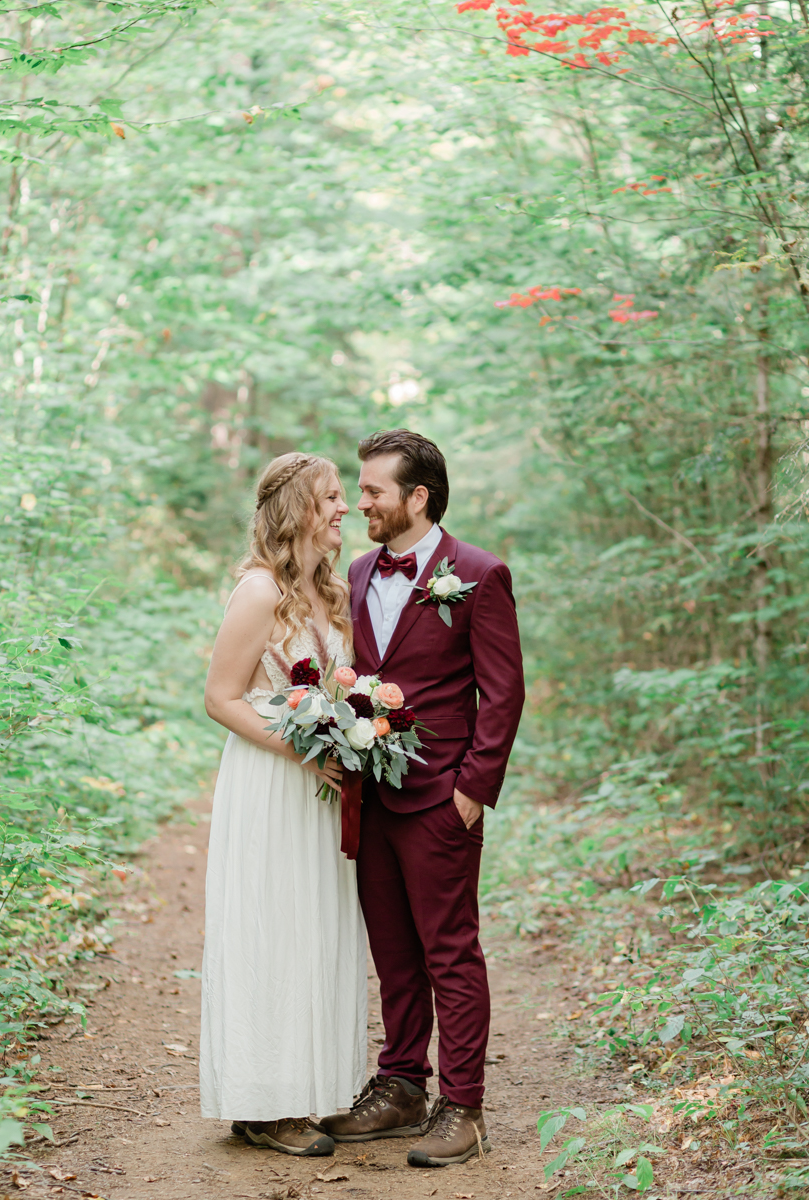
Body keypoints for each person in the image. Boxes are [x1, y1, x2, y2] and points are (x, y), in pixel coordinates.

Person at [318, 430, 525, 1167]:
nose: (360, 502)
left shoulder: (477, 574)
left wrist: (472, 791)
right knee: (394, 953)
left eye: (372, 491)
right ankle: (401, 1086)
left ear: (418, 497)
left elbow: (502, 694)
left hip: (442, 799)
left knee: (450, 954)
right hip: (369, 796)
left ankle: (462, 1108)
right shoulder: (355, 570)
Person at [200, 452, 367, 1157]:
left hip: (321, 788)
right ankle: (263, 1103)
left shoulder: (328, 595)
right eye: (331, 497)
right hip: (272, 779)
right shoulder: (259, 591)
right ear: (298, 507)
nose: (344, 509)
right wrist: (303, 750)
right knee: (270, 926)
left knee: (314, 927)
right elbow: (220, 698)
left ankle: (303, 1088)